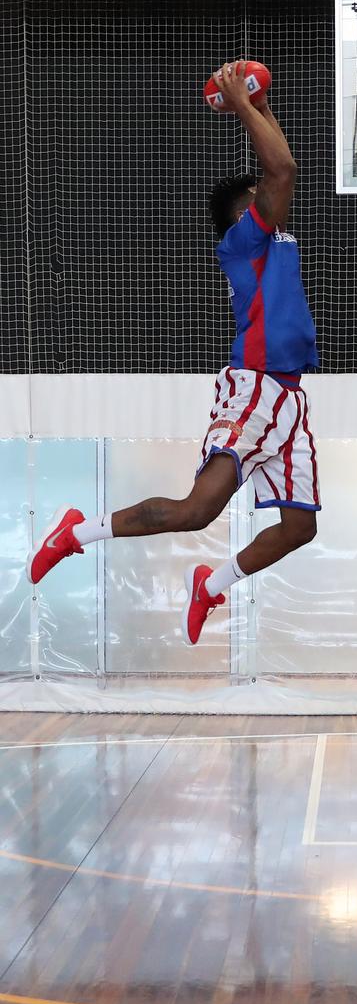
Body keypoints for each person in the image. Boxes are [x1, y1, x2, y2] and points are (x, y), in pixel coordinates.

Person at [27, 61, 320, 646]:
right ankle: (77, 533)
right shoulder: (243, 241)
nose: (272, 195)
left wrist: (259, 106)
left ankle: (213, 584)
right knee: (196, 511)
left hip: (290, 396)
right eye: (260, 196)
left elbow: (278, 168)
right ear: (246, 213)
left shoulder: (273, 237)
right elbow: (282, 169)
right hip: (255, 386)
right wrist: (240, 105)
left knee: (299, 528)